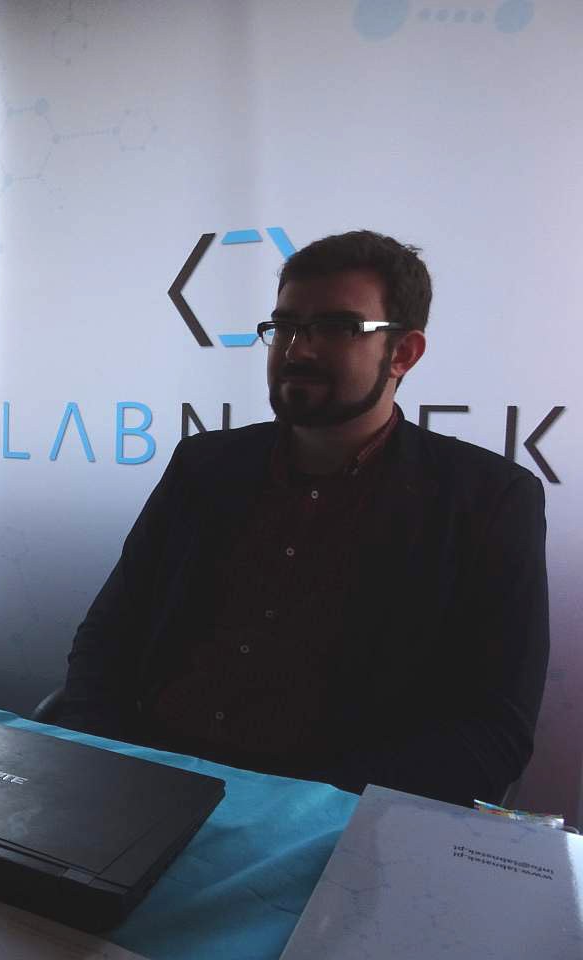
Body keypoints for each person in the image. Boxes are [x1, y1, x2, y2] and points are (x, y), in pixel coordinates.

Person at [59, 230, 549, 806]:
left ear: (403, 353)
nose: (297, 351)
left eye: (337, 328)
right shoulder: (206, 466)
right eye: (286, 326)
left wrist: (307, 811)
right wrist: (108, 761)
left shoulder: (487, 500)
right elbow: (108, 637)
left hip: (327, 820)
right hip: (149, 786)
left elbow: (492, 731)